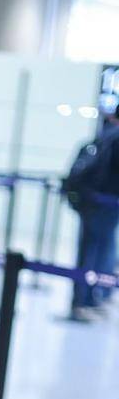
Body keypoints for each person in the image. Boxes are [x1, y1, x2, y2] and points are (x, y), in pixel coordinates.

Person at [70, 104, 119, 321]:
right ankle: (86, 300)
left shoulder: (104, 136)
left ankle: (88, 299)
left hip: (95, 203)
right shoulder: (114, 138)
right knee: (97, 252)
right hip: (104, 203)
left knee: (95, 251)